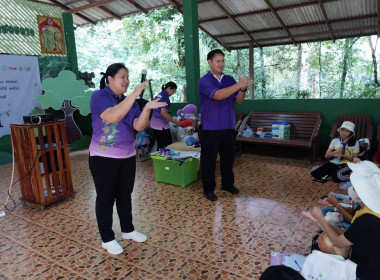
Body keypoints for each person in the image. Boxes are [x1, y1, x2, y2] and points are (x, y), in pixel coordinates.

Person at [89, 63, 167, 255]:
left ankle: (127, 230)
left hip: (127, 155)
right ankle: (107, 239)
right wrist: (133, 96)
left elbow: (139, 126)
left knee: (124, 195)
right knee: (106, 198)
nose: (127, 81)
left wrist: (146, 108)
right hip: (103, 155)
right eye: (122, 77)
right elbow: (112, 117)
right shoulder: (99, 96)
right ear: (110, 78)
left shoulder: (129, 101)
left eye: (128, 76)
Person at [198, 49, 253, 201]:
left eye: (223, 61)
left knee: (228, 159)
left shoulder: (229, 79)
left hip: (228, 126)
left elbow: (239, 100)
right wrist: (240, 83)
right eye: (218, 61)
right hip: (210, 128)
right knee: (209, 161)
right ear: (210, 62)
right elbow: (218, 95)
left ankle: (227, 184)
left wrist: (243, 88)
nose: (221, 64)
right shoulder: (204, 81)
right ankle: (208, 189)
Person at [311, 160, 380, 280]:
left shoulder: (367, 220)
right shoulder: (372, 211)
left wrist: (321, 219)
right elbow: (351, 234)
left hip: (365, 273)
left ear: (362, 193)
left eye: (355, 187)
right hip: (371, 262)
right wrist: (322, 222)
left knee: (318, 243)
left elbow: (338, 242)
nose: (351, 188)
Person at [150, 82, 182, 149]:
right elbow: (163, 113)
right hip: (160, 125)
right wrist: (176, 122)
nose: (173, 93)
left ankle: (159, 158)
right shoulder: (165, 98)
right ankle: (164, 158)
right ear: (169, 88)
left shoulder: (159, 95)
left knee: (160, 143)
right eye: (173, 91)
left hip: (153, 123)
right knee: (167, 144)